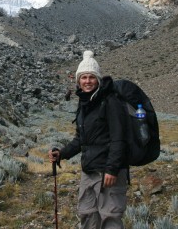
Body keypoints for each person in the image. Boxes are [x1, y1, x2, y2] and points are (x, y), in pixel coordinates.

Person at [49, 50, 128, 229]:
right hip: (89, 170)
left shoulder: (110, 101)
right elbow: (81, 139)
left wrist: (112, 169)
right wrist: (62, 154)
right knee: (87, 214)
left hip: (108, 171)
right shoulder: (84, 103)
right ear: (78, 81)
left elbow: (119, 138)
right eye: (83, 77)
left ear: (98, 79)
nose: (87, 81)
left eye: (91, 77)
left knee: (110, 217)